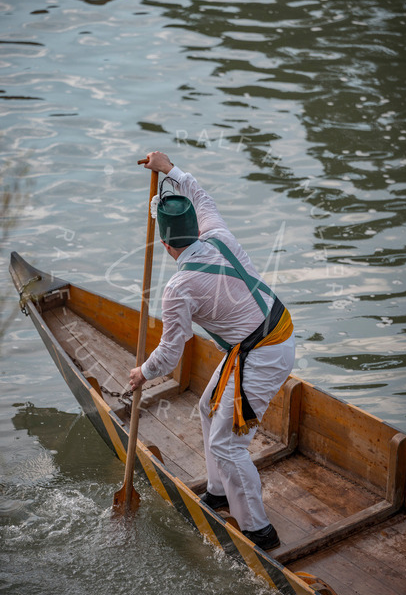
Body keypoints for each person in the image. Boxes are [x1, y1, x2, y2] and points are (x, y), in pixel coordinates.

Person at [129, 151, 295, 551]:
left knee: (228, 444)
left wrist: (142, 373)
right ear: (195, 227)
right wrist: (169, 169)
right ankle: (219, 492)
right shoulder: (218, 234)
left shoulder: (178, 289)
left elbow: (171, 353)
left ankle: (259, 531)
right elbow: (199, 194)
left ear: (165, 243)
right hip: (267, 336)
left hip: (264, 351)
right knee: (207, 407)